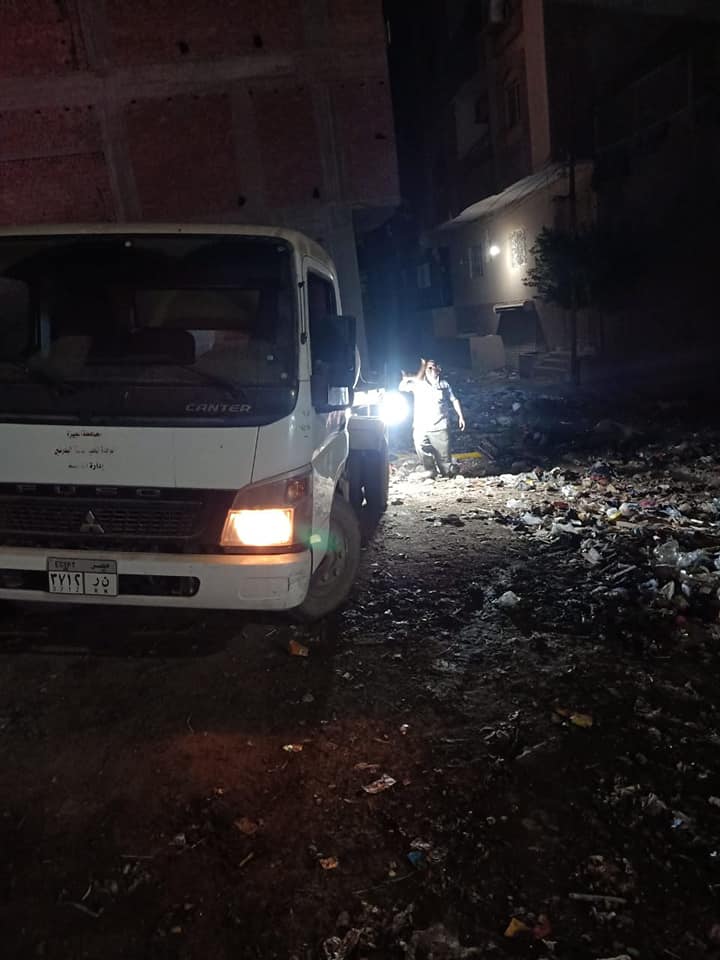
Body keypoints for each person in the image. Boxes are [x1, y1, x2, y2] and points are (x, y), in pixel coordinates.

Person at [399, 358, 465, 477]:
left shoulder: (444, 384)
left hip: (440, 426)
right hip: (421, 427)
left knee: (445, 464)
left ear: (438, 369)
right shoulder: (418, 384)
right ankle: (430, 470)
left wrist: (460, 416)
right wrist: (406, 378)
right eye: (427, 368)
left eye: (431, 367)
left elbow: (454, 400)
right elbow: (402, 388)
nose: (429, 370)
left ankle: (448, 471)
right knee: (421, 447)